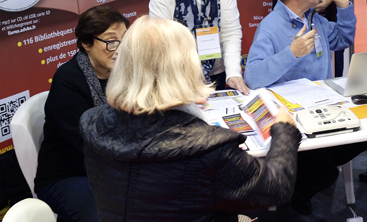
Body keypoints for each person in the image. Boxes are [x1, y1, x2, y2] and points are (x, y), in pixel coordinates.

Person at [79, 16, 302, 222]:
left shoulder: (93, 124)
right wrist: (284, 132)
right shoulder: (209, 149)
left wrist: (184, 104)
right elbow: (275, 189)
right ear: (185, 68)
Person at [245, 0, 367, 215]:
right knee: (324, 173)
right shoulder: (270, 27)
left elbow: (342, 39)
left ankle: (293, 186)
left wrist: (344, 7)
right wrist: (292, 52)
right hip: (294, 121)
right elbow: (254, 76)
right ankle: (293, 198)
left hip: (325, 109)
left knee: (366, 134)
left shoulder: (314, 19)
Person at [35, 5, 129, 222]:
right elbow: (89, 143)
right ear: (87, 43)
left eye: (125, 40)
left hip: (115, 166)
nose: (120, 49)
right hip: (68, 174)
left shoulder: (124, 72)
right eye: (111, 41)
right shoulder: (68, 80)